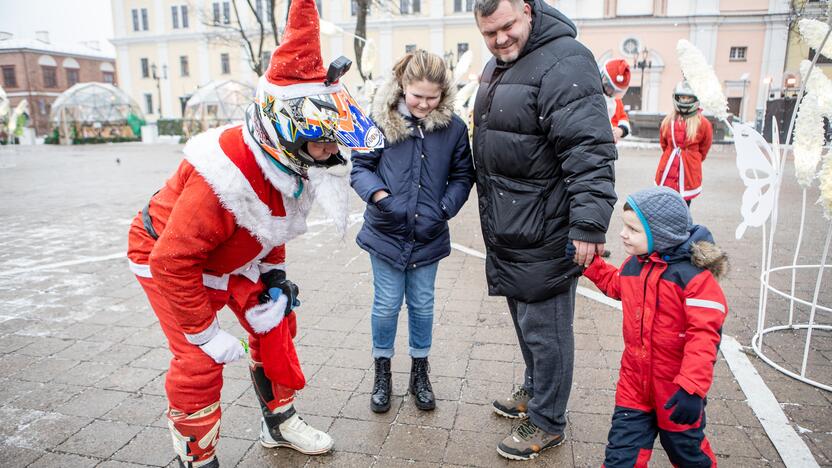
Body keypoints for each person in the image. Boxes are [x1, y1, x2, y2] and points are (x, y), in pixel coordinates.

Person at [126, 1, 383, 466]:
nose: (330, 152)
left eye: (334, 141)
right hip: (168, 256)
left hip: (229, 255)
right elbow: (172, 261)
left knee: (276, 320)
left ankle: (279, 423)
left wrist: (275, 275)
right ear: (284, 128)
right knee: (199, 361)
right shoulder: (221, 176)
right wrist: (205, 332)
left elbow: (270, 224)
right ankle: (198, 458)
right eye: (320, 139)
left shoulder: (296, 161)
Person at [471, 0, 618, 460]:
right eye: (489, 33)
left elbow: (589, 150)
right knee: (526, 320)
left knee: (546, 329)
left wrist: (589, 225)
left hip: (548, 228)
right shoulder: (503, 63)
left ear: (529, 11)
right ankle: (536, 391)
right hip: (514, 225)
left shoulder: (565, 60)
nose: (499, 39)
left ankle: (548, 418)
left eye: (507, 26)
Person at [350, 50, 475, 414]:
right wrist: (383, 199)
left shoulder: (452, 128)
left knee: (422, 304)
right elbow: (360, 167)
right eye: (417, 95)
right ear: (403, 86)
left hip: (429, 232)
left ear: (443, 93)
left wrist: (444, 208)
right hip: (386, 231)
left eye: (431, 97)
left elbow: (463, 175)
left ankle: (420, 372)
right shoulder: (379, 121)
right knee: (387, 305)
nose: (423, 103)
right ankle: (382, 372)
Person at [576, 186, 728, 467]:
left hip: (676, 392)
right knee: (620, 456)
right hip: (634, 387)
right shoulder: (635, 265)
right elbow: (615, 284)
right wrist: (589, 264)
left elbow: (704, 337)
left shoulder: (694, 280)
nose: (623, 234)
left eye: (632, 230)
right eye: (625, 226)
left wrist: (692, 389)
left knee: (688, 455)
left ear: (661, 235)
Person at [655, 81, 714, 206]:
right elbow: (664, 144)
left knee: (683, 205)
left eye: (688, 98)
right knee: (665, 203)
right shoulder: (668, 121)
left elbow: (704, 147)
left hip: (688, 170)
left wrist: (693, 158)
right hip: (668, 166)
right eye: (682, 97)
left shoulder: (703, 123)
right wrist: (671, 154)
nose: (685, 101)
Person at [601, 58, 632, 143]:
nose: (612, 93)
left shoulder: (616, 101)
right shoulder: (594, 95)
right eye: (610, 88)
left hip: (609, 144)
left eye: (617, 91)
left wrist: (621, 130)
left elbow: (623, 117)